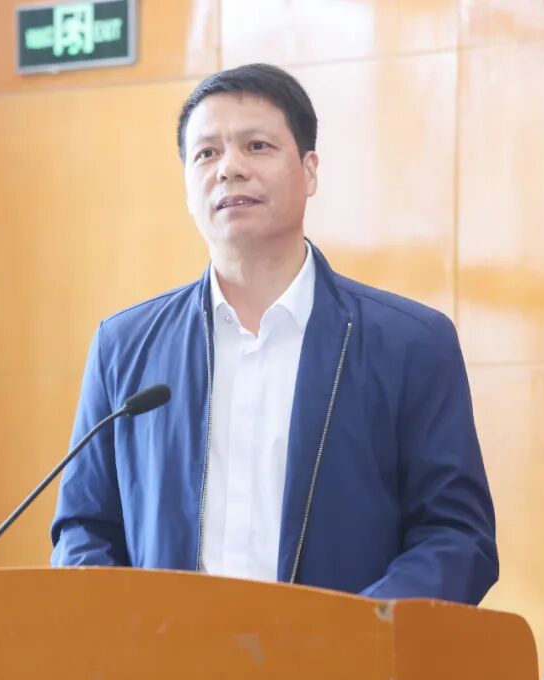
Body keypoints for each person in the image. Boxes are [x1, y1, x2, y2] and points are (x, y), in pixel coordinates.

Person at [50, 63, 497, 603]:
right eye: (206, 153)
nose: (229, 169)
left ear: (310, 171)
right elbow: (84, 529)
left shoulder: (410, 343)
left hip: (342, 653)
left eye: (256, 146)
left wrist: (358, 631)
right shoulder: (124, 348)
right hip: (166, 654)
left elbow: (456, 538)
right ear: (187, 186)